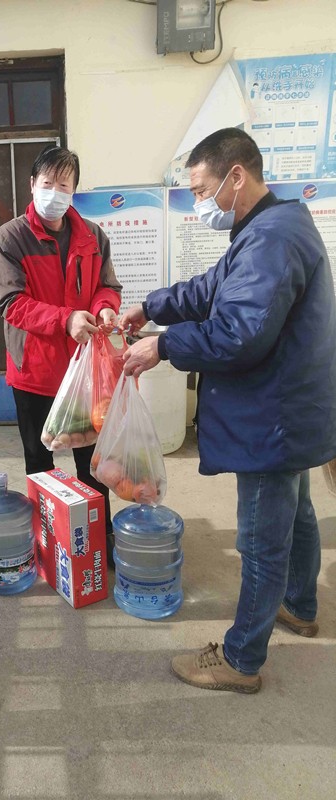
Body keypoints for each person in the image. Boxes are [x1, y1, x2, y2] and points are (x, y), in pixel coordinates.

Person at [120, 127, 336, 693]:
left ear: (236, 177)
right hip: (289, 410)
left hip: (271, 418)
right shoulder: (268, 227)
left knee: (260, 542)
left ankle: (241, 660)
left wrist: (163, 345)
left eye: (201, 190)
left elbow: (239, 334)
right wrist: (150, 307)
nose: (199, 204)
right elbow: (212, 288)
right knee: (299, 514)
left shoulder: (271, 239)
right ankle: (299, 605)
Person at [0, 145, 122, 561]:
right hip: (34, 372)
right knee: (40, 461)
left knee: (92, 463)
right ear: (32, 185)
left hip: (84, 371)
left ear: (74, 190)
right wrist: (66, 319)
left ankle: (98, 541)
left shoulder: (93, 236)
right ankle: (51, 542)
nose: (55, 192)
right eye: (47, 183)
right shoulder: (10, 238)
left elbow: (107, 286)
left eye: (64, 185)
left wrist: (104, 307)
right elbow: (12, 303)